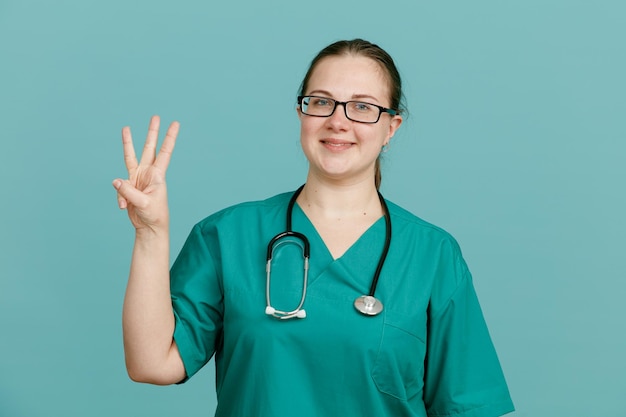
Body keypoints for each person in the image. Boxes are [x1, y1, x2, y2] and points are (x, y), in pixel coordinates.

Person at [112, 39, 514, 417]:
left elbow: (468, 405)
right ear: (302, 114)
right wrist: (150, 233)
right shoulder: (226, 235)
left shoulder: (431, 254)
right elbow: (152, 363)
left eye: (362, 107)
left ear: (391, 128)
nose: (338, 121)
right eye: (321, 102)